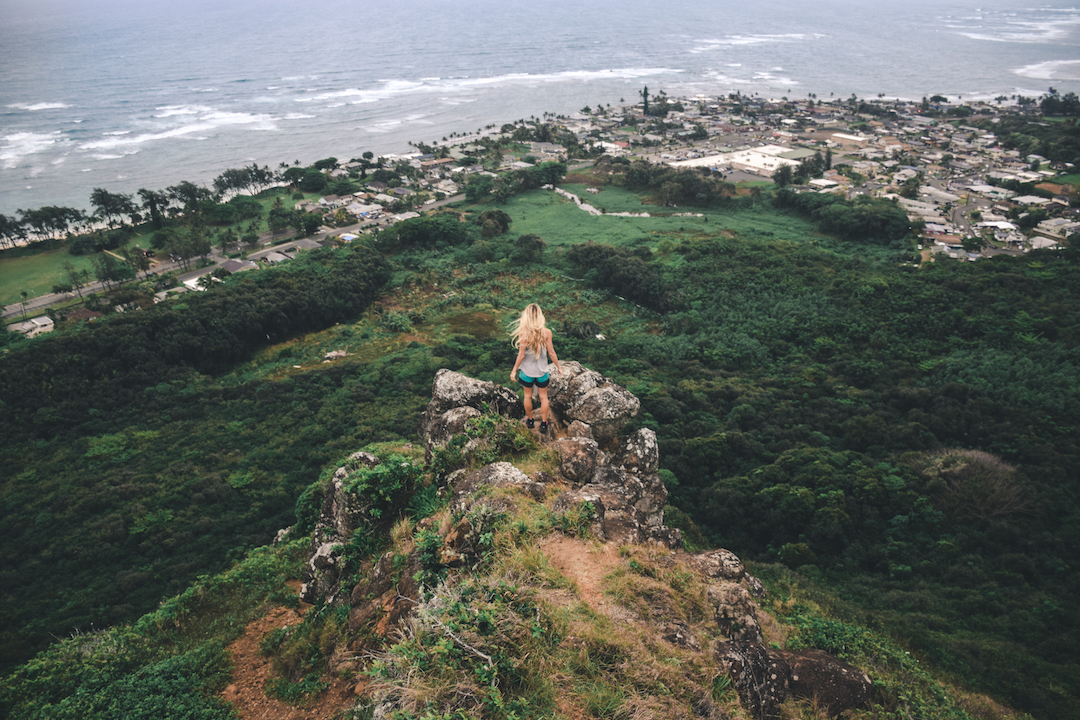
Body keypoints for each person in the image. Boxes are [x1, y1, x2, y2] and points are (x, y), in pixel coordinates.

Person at [509, 303, 561, 433]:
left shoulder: (524, 334)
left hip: (527, 372)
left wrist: (514, 370)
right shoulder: (547, 333)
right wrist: (558, 367)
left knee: (527, 396)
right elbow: (551, 352)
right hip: (542, 371)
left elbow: (521, 355)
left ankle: (530, 420)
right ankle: (544, 423)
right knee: (544, 397)